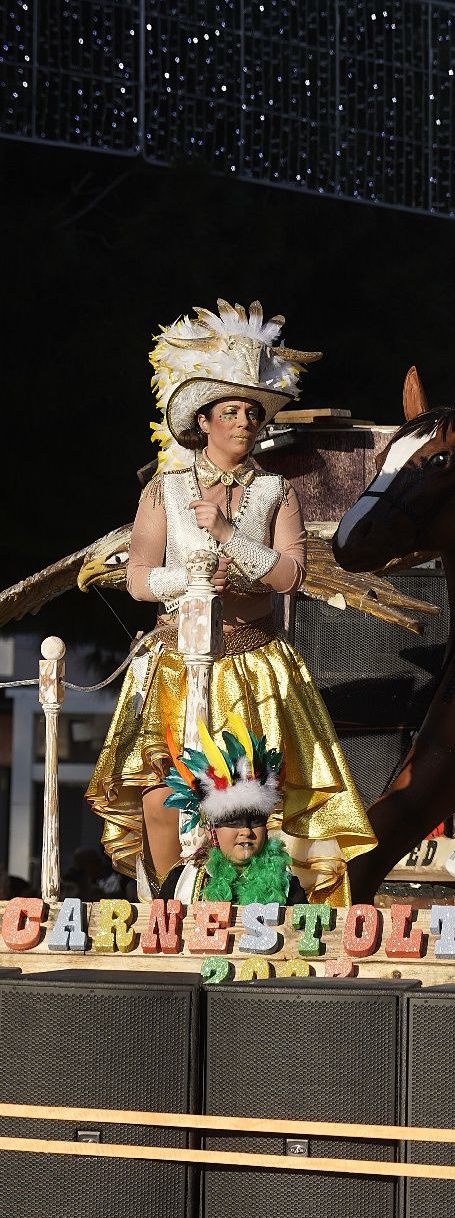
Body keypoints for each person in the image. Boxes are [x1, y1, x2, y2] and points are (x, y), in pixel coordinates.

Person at [85, 300, 375, 904]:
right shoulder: (163, 491)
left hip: (255, 666)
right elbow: (139, 577)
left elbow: (291, 575)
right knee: (163, 798)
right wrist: (190, 579)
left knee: (250, 803)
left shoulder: (276, 490)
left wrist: (226, 538)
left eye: (251, 411)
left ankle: (259, 915)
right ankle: (169, 911)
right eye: (230, 410)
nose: (243, 421)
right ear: (204, 421)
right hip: (174, 661)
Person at [157, 718, 308, 907]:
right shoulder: (182, 882)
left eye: (255, 820)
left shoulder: (287, 887)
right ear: (213, 831)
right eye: (233, 821)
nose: (246, 831)